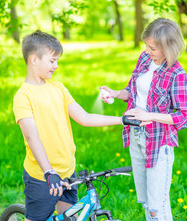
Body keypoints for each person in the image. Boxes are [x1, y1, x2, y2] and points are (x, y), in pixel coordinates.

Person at [13, 30, 149, 221]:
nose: (56, 66)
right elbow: (31, 137)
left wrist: (122, 119)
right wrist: (48, 172)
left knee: (70, 217)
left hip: (68, 171)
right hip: (43, 177)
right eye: (52, 61)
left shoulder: (58, 88)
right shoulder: (23, 96)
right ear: (34, 59)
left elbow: (84, 117)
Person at [101, 18, 187, 221]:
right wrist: (115, 94)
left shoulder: (177, 75)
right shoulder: (144, 59)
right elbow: (132, 92)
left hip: (159, 144)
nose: (148, 50)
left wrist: (149, 116)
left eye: (153, 48)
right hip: (136, 136)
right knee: (146, 203)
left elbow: (185, 116)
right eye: (147, 45)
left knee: (156, 207)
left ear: (168, 47)